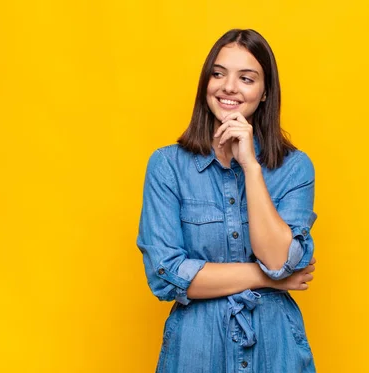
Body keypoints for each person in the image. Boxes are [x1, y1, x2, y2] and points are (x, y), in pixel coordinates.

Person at [136, 28, 318, 373]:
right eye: (218, 74)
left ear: (265, 93)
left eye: (246, 78)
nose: (228, 87)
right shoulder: (167, 166)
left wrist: (250, 166)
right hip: (196, 351)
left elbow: (280, 260)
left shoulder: (295, 168)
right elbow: (166, 276)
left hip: (274, 350)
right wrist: (266, 279)